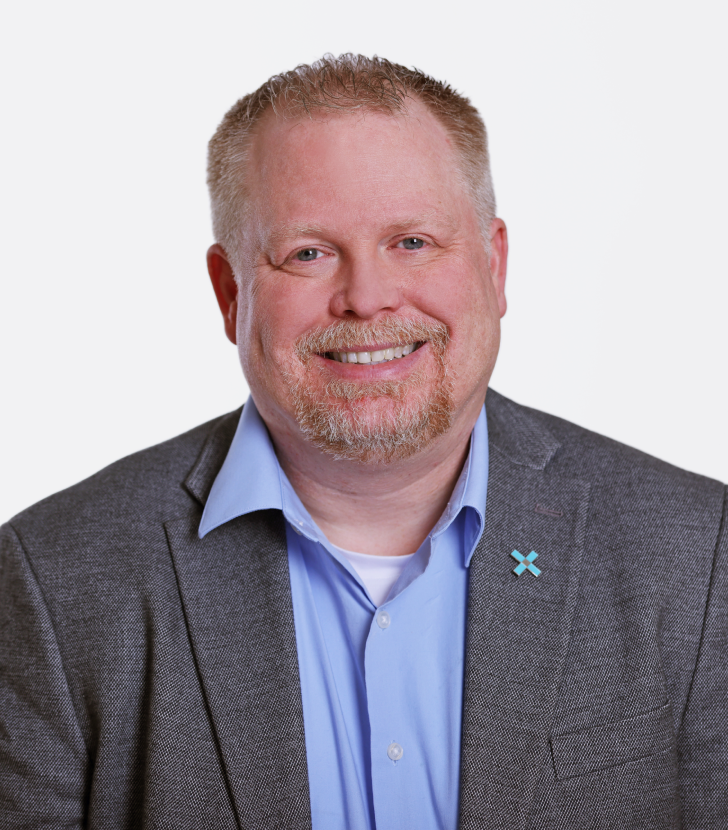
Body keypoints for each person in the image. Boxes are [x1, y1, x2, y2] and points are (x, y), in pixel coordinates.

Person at [1, 53, 725, 830]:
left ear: (494, 263)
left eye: (412, 241)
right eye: (308, 253)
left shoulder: (697, 556)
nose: (368, 299)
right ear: (230, 291)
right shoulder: (52, 582)